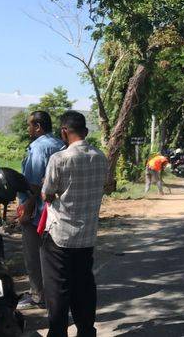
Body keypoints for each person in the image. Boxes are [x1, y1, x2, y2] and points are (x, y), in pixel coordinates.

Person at [41, 111, 107, 337]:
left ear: (64, 132)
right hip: (87, 236)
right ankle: (86, 331)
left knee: (58, 288)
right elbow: (104, 187)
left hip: (60, 235)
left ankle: (57, 333)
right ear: (86, 132)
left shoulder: (59, 159)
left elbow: (47, 195)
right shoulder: (100, 157)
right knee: (84, 286)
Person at [17, 111, 65, 310]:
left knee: (34, 255)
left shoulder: (39, 147)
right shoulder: (60, 144)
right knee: (51, 256)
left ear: (38, 126)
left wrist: (26, 208)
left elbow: (34, 185)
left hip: (37, 211)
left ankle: (38, 296)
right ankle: (54, 293)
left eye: (30, 125)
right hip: (56, 211)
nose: (28, 129)